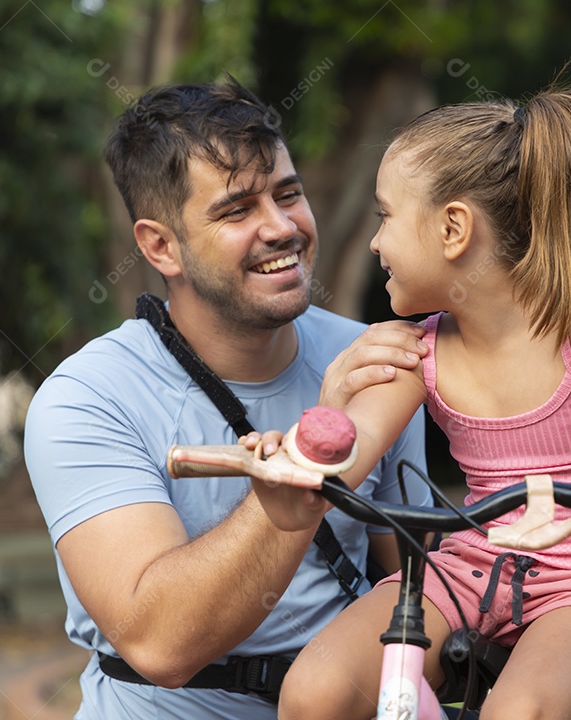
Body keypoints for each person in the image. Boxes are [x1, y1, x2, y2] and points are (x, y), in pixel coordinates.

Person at [246, 85, 571, 720]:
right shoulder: (415, 352)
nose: (374, 242)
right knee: (315, 693)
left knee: (519, 712)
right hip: (469, 568)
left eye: (385, 216)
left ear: (453, 228)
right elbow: (349, 454)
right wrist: (301, 460)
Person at [23, 79, 434, 720]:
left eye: (288, 195)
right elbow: (159, 642)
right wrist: (293, 483)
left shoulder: (374, 360)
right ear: (161, 246)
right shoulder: (86, 400)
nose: (281, 228)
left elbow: (414, 579)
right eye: (236, 210)